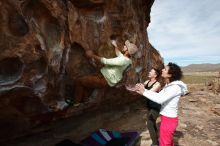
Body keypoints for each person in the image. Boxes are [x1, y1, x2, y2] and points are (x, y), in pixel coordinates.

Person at [132, 62, 188, 146]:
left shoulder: (174, 87)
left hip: (169, 120)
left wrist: (144, 92)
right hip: (166, 118)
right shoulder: (169, 85)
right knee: (167, 141)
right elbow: (158, 95)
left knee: (164, 143)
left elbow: (160, 99)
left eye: (165, 69)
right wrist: (144, 90)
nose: (162, 69)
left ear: (170, 75)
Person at [69, 40, 138, 107]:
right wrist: (115, 46)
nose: (124, 46)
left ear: (127, 51)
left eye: (126, 46)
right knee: (87, 84)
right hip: (105, 78)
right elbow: (119, 54)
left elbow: (106, 61)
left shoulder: (123, 60)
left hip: (104, 79)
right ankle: (85, 101)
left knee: (79, 81)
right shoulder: (127, 60)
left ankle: (76, 104)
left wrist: (92, 55)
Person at [144, 68, 162, 146]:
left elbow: (149, 93)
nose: (149, 72)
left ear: (155, 75)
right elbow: (140, 89)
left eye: (151, 71)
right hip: (149, 106)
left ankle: (155, 144)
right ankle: (156, 137)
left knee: (149, 124)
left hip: (155, 106)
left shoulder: (157, 84)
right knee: (152, 123)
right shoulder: (147, 82)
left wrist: (141, 89)